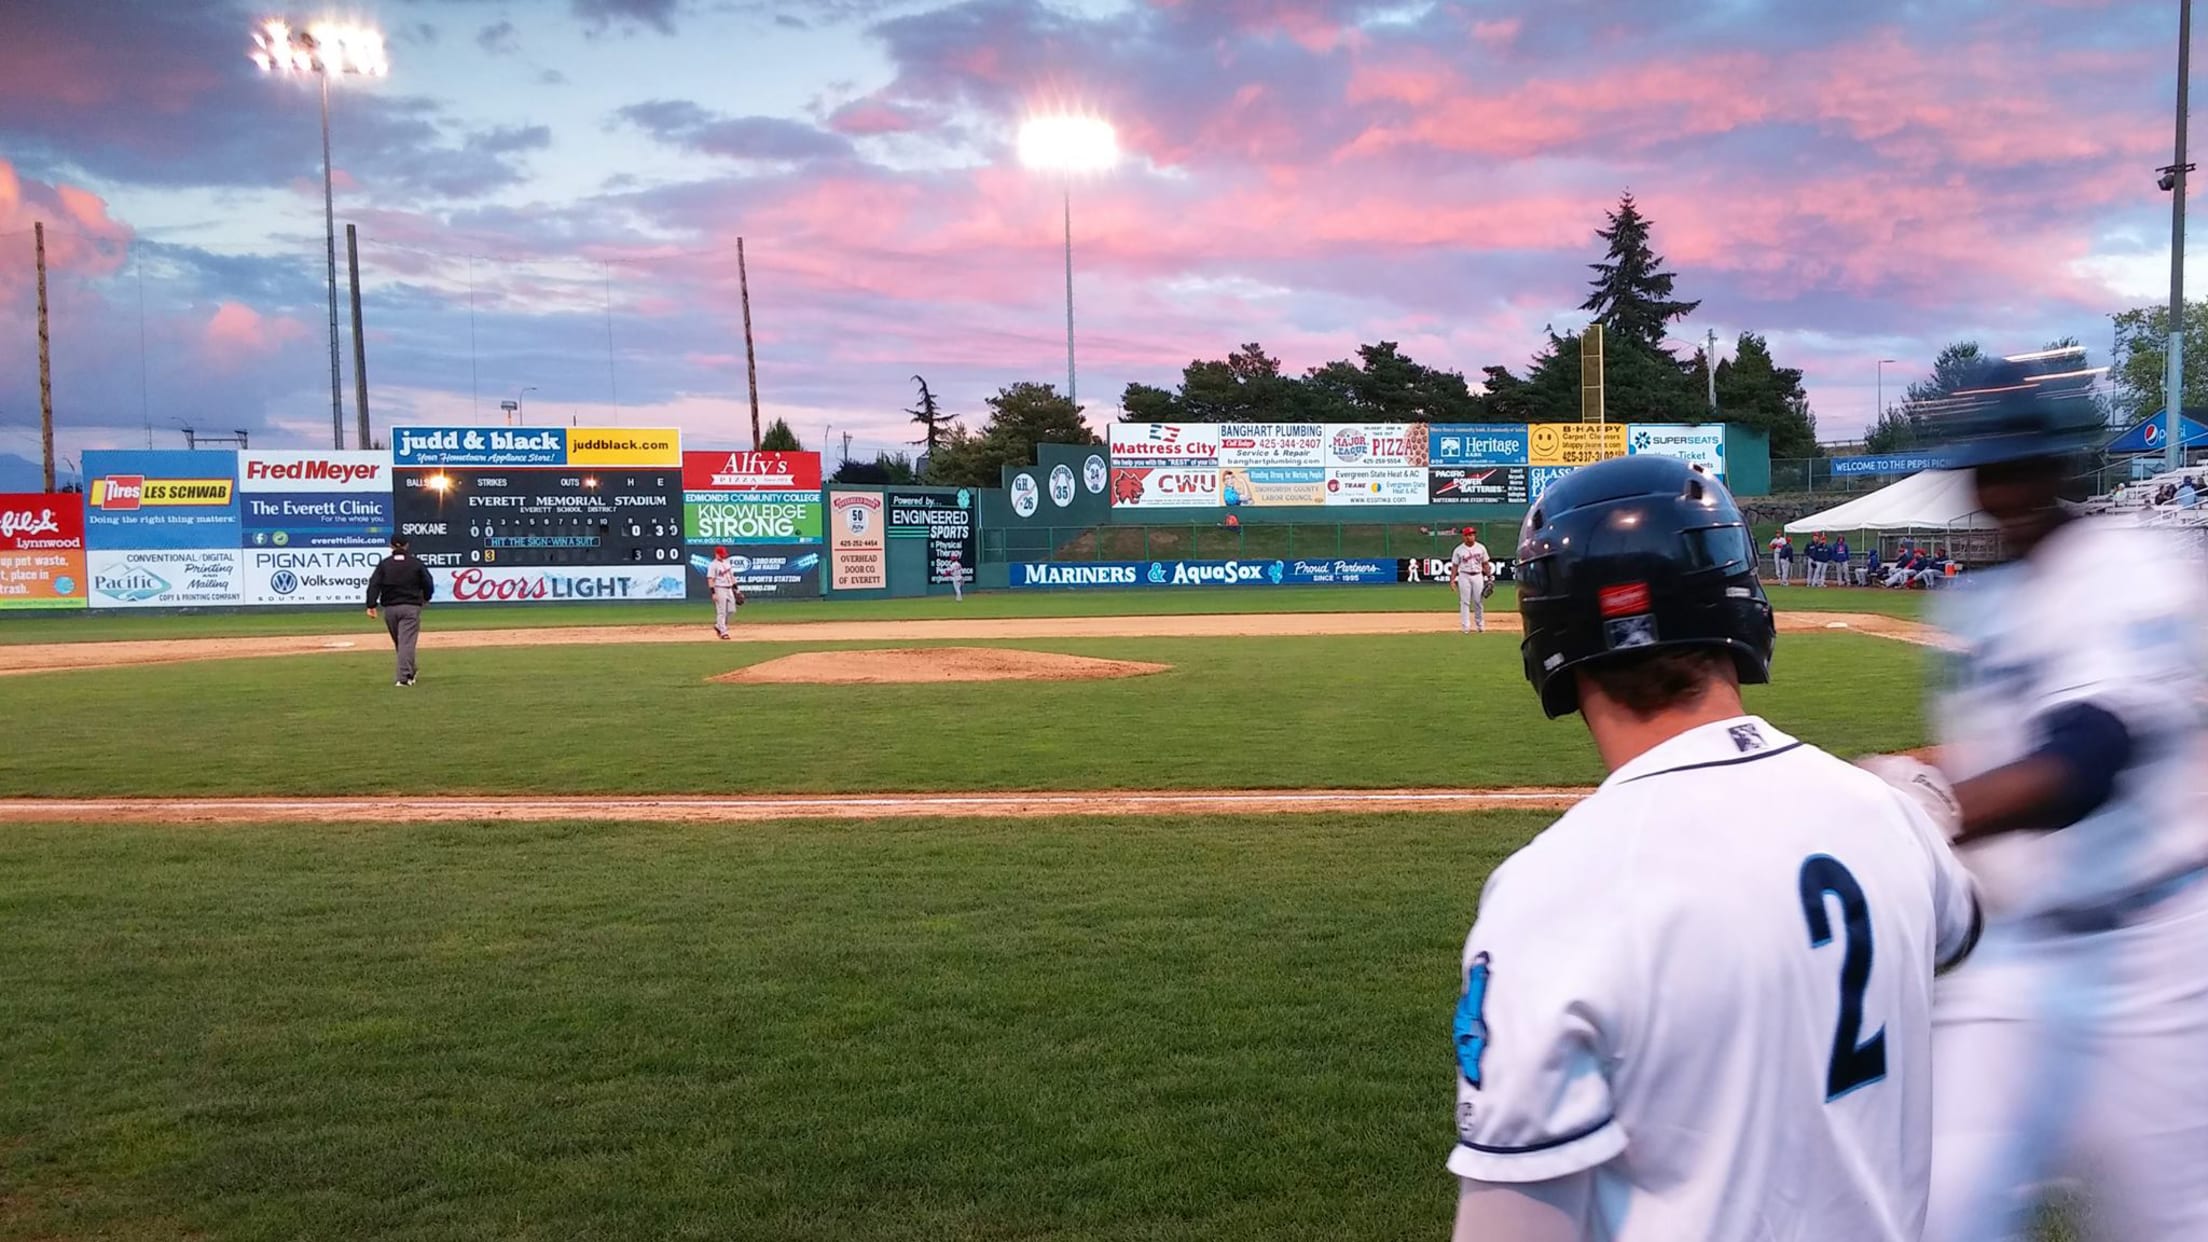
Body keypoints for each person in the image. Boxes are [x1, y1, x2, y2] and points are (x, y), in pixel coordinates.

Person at [1450, 455, 1981, 1242]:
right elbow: (1957, 922)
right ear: (1742, 602)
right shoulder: (1882, 815)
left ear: (1547, 633)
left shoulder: (1549, 894)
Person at [1860, 358, 2208, 1242]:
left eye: (2025, 466)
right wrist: (1909, 781)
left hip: (2158, 957)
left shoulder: (2132, 568)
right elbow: (2000, 755)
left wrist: (1924, 808)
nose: (2006, 488)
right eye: (1989, 468)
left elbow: (2089, 757)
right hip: (2016, 950)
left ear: (2063, 464)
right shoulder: (1983, 603)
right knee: (1935, 1207)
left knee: (2167, 1224)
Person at [363, 534, 435, 687]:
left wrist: (371, 605)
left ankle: (406, 674)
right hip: (410, 608)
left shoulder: (385, 565)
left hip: (390, 609)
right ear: (407, 545)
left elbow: (374, 584)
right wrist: (426, 598)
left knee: (402, 643)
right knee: (405, 643)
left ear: (391, 546)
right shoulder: (415, 563)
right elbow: (428, 582)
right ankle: (406, 676)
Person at [1448, 525, 1491, 634]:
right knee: (1465, 602)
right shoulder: (1458, 550)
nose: (1470, 537)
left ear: (1474, 536)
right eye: (1467, 535)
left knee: (1478, 601)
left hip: (1478, 575)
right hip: (1464, 576)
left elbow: (1485, 564)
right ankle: (1465, 627)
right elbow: (1454, 566)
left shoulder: (1481, 548)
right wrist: (1452, 580)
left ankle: (1480, 625)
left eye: (1472, 534)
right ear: (1464, 537)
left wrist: (1490, 577)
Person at [707, 546, 743, 639]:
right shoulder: (713, 565)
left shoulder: (727, 563)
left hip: (729, 588)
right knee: (721, 611)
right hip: (719, 588)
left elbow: (732, 576)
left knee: (732, 610)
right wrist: (713, 592)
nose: (723, 556)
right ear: (716, 554)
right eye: (721, 554)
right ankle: (723, 632)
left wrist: (736, 589)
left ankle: (719, 626)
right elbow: (711, 579)